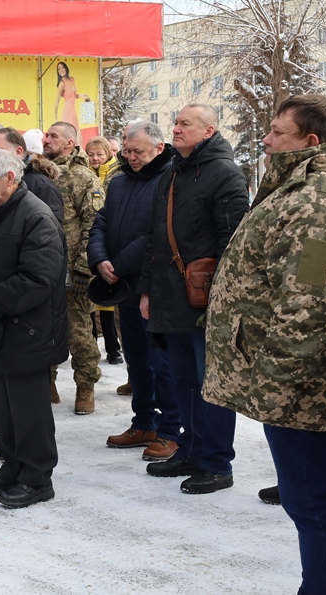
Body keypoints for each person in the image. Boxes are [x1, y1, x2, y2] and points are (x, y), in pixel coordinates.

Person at [204, 94, 326, 593]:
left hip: (307, 384)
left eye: (277, 133)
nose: (265, 140)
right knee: (310, 498)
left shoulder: (323, 202)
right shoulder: (306, 187)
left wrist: (275, 385)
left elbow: (305, 304)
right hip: (304, 379)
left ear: (310, 141)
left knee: (311, 500)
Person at [139, 104, 249, 494]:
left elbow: (234, 245)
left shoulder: (225, 173)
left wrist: (222, 300)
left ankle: (217, 463)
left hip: (207, 301)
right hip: (172, 296)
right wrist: (148, 290)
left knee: (211, 384)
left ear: (208, 130)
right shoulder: (173, 172)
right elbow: (155, 236)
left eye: (185, 123)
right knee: (183, 380)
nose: (176, 128)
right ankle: (190, 449)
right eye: (176, 122)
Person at [0, 150, 67, 509]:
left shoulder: (36, 216)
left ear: (9, 178)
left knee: (28, 409)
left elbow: (38, 279)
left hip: (29, 331)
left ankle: (37, 478)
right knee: (2, 405)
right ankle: (13, 466)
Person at [88, 120, 181, 462]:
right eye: (126, 151)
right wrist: (99, 259)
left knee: (162, 364)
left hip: (153, 287)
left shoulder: (170, 178)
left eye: (137, 151)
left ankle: (170, 429)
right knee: (138, 363)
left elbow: (158, 232)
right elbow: (101, 221)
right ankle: (143, 422)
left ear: (158, 148)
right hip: (123, 286)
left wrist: (118, 263)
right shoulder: (120, 180)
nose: (131, 157)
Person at [41, 121, 104, 413]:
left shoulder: (82, 177)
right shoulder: (40, 175)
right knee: (43, 332)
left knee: (79, 334)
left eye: (53, 136)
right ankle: (47, 383)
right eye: (46, 135)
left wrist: (83, 268)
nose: (46, 140)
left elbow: (95, 225)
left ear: (69, 143)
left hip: (73, 272)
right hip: (42, 271)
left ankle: (85, 388)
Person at [83, 136, 123, 366]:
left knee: (108, 302)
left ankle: (113, 348)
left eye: (99, 154)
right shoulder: (85, 175)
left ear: (109, 154)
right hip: (89, 245)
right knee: (91, 299)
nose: (95, 158)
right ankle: (91, 347)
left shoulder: (115, 175)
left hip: (108, 243)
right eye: (91, 154)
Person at [54, 61, 90, 129]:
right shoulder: (62, 83)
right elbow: (56, 102)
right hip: (67, 111)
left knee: (76, 131)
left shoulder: (72, 79)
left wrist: (82, 96)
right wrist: (55, 118)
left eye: (62, 67)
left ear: (66, 68)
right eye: (59, 69)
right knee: (69, 131)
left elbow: (74, 95)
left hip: (73, 111)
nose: (61, 70)